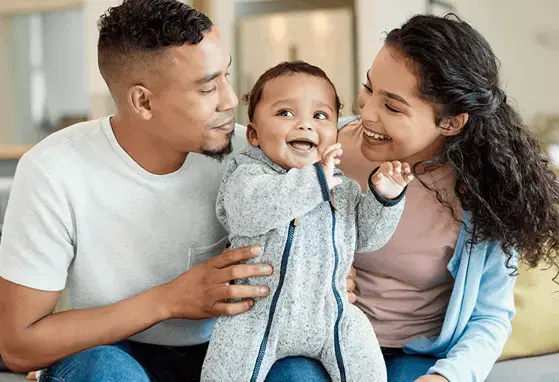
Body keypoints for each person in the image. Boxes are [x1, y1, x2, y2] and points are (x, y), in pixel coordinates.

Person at [0, 1, 349, 381]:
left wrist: (324, 270)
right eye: (207, 88)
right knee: (102, 370)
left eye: (227, 76)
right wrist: (170, 300)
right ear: (143, 102)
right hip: (113, 353)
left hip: (238, 348)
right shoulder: (53, 170)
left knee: (301, 374)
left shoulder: (253, 153)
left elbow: (350, 150)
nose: (231, 100)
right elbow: (18, 346)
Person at [271, 13, 559, 382]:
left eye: (392, 107)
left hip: (414, 355)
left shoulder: (484, 194)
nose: (367, 112)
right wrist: (309, 276)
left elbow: (490, 316)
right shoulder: (322, 150)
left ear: (451, 122)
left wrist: (446, 377)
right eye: (368, 88)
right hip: (320, 338)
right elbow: (268, 232)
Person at [201, 61, 414, 382]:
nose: (304, 125)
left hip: (331, 315)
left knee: (367, 365)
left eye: (320, 116)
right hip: (255, 316)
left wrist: (385, 197)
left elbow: (367, 237)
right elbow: (252, 212)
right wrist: (314, 181)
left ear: (335, 132)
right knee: (226, 369)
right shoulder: (247, 176)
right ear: (255, 134)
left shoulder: (341, 188)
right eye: (285, 113)